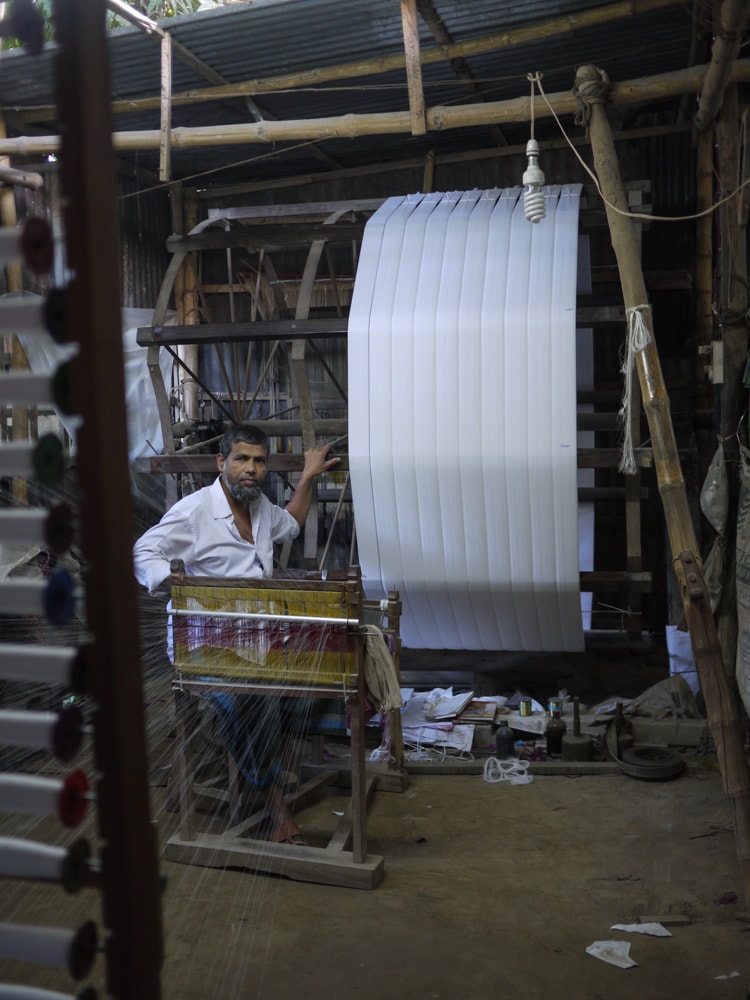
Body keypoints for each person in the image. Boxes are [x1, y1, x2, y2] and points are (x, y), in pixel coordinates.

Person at [133, 423, 341, 845]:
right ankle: (275, 806)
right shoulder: (194, 513)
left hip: (256, 641)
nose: (251, 469)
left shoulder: (260, 508)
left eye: (259, 461)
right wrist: (181, 584)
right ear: (221, 462)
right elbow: (143, 552)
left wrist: (306, 476)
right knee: (251, 698)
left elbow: (291, 524)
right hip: (204, 645)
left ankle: (261, 762)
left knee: (321, 673)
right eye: (241, 459)